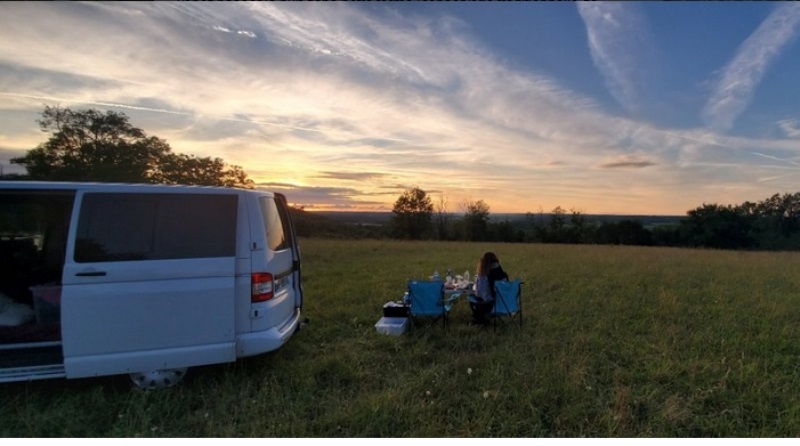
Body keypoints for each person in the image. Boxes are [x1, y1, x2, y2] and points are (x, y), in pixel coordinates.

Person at [470, 251, 509, 325]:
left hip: (490, 306)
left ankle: (480, 319)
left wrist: (474, 288)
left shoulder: (484, 277)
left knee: (472, 297)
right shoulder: (504, 275)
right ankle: (480, 319)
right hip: (506, 305)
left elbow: (482, 294)